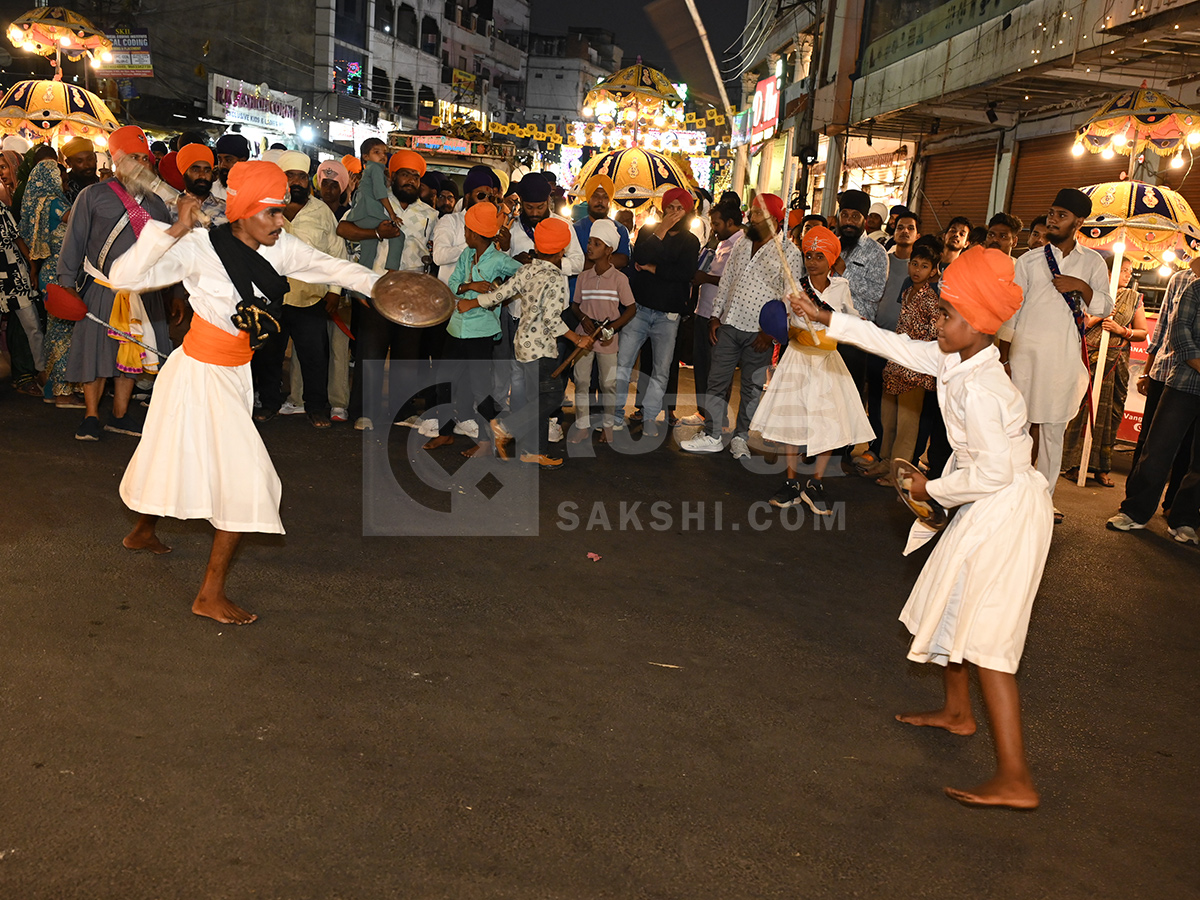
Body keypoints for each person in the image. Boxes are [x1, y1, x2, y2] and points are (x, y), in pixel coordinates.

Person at [794, 245, 1052, 810]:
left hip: (1005, 512)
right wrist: (825, 317)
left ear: (977, 325)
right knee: (956, 602)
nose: (935, 322)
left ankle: (1016, 778)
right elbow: (895, 343)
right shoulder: (959, 359)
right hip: (986, 504)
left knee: (989, 640)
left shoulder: (985, 387)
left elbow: (993, 471)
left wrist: (926, 489)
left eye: (945, 315)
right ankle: (959, 714)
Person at [108, 161, 381, 624]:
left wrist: (388, 286)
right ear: (243, 212)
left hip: (235, 373)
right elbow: (123, 277)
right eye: (272, 213)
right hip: (197, 372)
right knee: (247, 480)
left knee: (173, 455)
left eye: (282, 211)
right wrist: (174, 228)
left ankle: (141, 533)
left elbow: (331, 266)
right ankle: (208, 595)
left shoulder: (281, 246)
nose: (281, 221)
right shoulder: (196, 247)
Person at [998, 188, 1113, 520]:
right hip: (1024, 358)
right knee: (1017, 428)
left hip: (1062, 361)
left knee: (1052, 432)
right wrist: (1004, 358)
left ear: (1079, 222)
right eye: (1051, 213)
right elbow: (1012, 313)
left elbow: (1104, 305)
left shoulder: (1092, 262)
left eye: (1061, 215)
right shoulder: (1029, 260)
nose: (1052, 220)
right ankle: (1010, 491)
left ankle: (1043, 499)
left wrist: (1081, 286)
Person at [58, 125, 176, 440]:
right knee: (95, 353)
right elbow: (74, 242)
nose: (140, 164)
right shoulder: (92, 196)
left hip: (141, 290)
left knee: (131, 353)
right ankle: (92, 415)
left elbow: (169, 249)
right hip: (101, 288)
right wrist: (66, 283)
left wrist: (171, 292)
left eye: (145, 158)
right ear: (117, 161)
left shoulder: (157, 204)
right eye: (132, 157)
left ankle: (120, 414)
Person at [752, 225, 873, 513]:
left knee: (828, 419)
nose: (813, 261)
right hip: (798, 356)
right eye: (809, 255)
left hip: (828, 360)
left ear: (831, 259)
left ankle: (816, 482)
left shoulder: (841, 287)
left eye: (819, 256)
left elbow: (849, 316)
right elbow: (778, 318)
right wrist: (785, 317)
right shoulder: (794, 285)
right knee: (793, 418)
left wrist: (862, 325)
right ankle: (792, 482)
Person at [458, 218, 594, 468]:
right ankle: (505, 427)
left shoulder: (526, 269)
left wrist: (472, 302)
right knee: (551, 398)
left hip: (522, 344)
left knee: (537, 401)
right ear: (562, 250)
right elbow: (553, 321)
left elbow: (499, 295)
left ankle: (534, 451)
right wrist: (578, 339)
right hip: (541, 348)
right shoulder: (555, 278)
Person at [682, 193, 793, 458]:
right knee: (716, 381)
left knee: (752, 387)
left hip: (760, 333)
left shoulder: (789, 251)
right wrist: (716, 317)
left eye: (757, 214)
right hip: (730, 324)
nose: (751, 217)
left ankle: (741, 438)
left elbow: (790, 296)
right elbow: (728, 278)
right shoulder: (743, 243)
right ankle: (712, 434)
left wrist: (771, 332)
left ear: (774, 219)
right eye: (752, 212)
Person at [342, 149, 438, 430]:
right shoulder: (372, 204)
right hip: (376, 289)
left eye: (416, 177)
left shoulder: (430, 215)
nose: (410, 181)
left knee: (407, 357)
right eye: (405, 174)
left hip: (412, 293)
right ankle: (363, 412)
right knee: (370, 353)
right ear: (391, 177)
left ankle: (402, 411)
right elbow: (345, 230)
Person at [252, 150, 346, 428]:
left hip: (311, 297)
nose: (296, 182)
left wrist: (335, 291)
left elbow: (336, 253)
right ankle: (269, 403)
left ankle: (316, 408)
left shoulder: (322, 213)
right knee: (270, 355)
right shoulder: (265, 208)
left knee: (314, 358)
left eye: (301, 177)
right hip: (272, 297)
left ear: (309, 181)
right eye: (289, 176)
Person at [1107, 273, 1200, 543]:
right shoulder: (1193, 286)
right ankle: (1135, 511)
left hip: (1183, 377)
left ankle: (1184, 519)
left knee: (1198, 463)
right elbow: (1178, 333)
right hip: (1182, 381)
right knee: (1158, 449)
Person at [424, 201, 521, 457]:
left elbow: (524, 276)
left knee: (480, 390)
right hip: (456, 328)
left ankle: (491, 438)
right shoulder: (467, 255)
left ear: (476, 234)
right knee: (443, 381)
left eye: (467, 231)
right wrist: (471, 286)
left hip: (481, 332)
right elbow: (454, 283)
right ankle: (445, 433)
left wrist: (499, 291)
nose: (464, 235)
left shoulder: (500, 260)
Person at [613, 187, 700, 437]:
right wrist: (660, 231)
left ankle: (650, 416)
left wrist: (654, 269)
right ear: (662, 209)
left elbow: (685, 274)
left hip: (668, 315)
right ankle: (617, 414)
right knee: (624, 364)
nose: (674, 213)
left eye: (679, 209)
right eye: (670, 207)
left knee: (661, 369)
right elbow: (639, 257)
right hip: (639, 309)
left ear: (687, 211)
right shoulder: (649, 232)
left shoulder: (690, 240)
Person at [1062, 256, 1147, 485]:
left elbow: (1142, 333)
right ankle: (1072, 463)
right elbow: (1078, 324)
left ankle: (1101, 467)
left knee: (1109, 413)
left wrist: (1122, 330)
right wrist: (1100, 316)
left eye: (1130, 271)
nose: (1129, 275)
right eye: (1125, 270)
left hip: (1115, 358)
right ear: (1110, 271)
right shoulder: (1090, 294)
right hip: (1087, 357)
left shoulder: (1133, 298)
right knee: (1081, 409)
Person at [1130, 260, 1197, 516]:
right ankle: (1133, 504)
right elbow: (1164, 329)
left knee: (1190, 450)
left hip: (1191, 378)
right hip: (1167, 369)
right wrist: (1147, 371)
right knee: (1151, 442)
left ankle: (1175, 508)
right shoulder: (1181, 279)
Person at [875, 240, 942, 485]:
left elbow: (934, 334)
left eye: (924, 266)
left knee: (907, 423)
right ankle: (884, 462)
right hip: (895, 361)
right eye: (914, 264)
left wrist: (917, 358)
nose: (917, 270)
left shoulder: (931, 298)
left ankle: (899, 473)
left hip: (916, 367)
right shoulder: (906, 290)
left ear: (933, 271)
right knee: (888, 417)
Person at [567, 218, 637, 444]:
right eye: (589, 242)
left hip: (607, 339)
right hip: (584, 337)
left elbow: (631, 308)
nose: (589, 247)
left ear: (609, 250)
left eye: (596, 244)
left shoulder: (619, 279)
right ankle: (582, 426)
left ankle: (608, 426)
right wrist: (583, 318)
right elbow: (575, 305)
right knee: (581, 380)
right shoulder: (583, 277)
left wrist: (613, 328)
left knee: (608, 383)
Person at [19, 157, 80, 407]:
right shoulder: (56, 204)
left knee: (56, 331)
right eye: (63, 180)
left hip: (49, 272)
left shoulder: (37, 204)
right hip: (59, 273)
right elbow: (80, 222)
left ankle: (50, 385)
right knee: (63, 332)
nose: (65, 185)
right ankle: (62, 392)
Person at [681, 200, 744, 427]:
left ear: (730, 222)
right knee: (702, 365)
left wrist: (705, 278)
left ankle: (716, 417)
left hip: (720, 317)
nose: (714, 228)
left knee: (717, 370)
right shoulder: (721, 243)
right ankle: (704, 413)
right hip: (704, 310)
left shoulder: (741, 246)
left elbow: (736, 281)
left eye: (716, 223)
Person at [346, 138, 405, 272]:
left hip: (361, 214)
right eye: (376, 152)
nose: (382, 156)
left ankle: (361, 287)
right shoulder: (376, 168)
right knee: (398, 235)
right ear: (366, 156)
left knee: (369, 248)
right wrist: (392, 214)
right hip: (369, 212)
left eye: (384, 152)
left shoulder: (370, 170)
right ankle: (392, 271)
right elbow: (380, 194)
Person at [173, 143, 228, 227]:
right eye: (196, 170)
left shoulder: (226, 209)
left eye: (207, 171)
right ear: (184, 174)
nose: (202, 175)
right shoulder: (169, 208)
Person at [212, 133, 251, 202]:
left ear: (242, 161)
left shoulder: (254, 190)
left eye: (228, 160)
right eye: (219, 160)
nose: (222, 165)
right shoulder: (212, 189)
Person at [62, 137, 98, 203]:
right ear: (68, 163)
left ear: (95, 158)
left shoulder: (102, 182)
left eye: (90, 159)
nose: (87, 165)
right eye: (80, 161)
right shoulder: (65, 187)